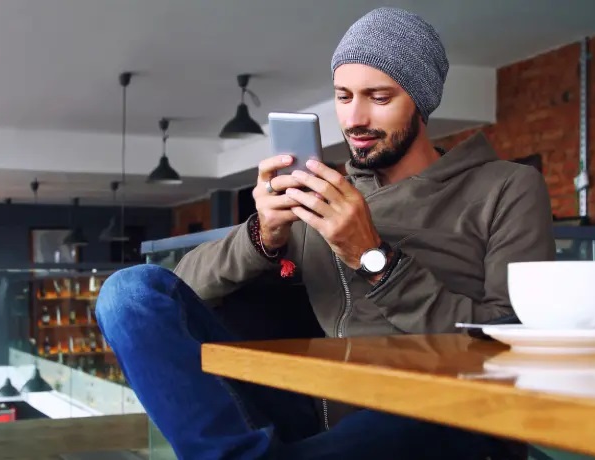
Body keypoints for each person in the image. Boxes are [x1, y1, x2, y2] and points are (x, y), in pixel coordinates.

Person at [96, 6, 554, 459]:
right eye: (342, 95)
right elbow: (183, 294)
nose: (353, 119)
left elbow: (509, 340)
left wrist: (374, 257)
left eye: (378, 98)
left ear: (421, 100)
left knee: (417, 413)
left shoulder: (506, 186)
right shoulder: (325, 193)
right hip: (317, 411)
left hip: (441, 409)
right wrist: (264, 234)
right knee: (128, 292)